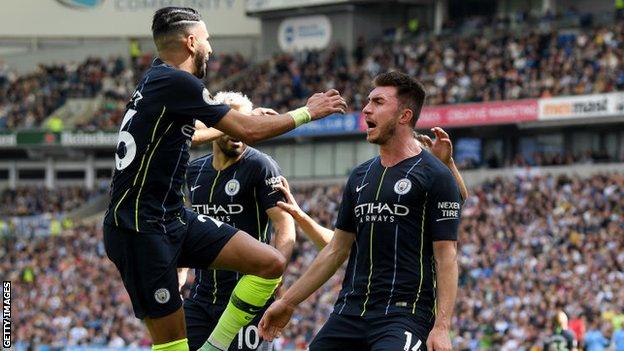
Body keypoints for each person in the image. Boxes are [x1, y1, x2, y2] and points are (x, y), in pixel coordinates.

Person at [102, 7, 346, 351]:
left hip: (170, 218)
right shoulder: (177, 81)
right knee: (172, 347)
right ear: (191, 42)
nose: (211, 48)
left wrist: (231, 122)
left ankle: (214, 347)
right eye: (206, 40)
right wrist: (308, 112)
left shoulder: (156, 79)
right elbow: (248, 130)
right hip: (139, 230)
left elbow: (193, 134)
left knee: (271, 262)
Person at [258, 71, 462, 351]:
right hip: (349, 312)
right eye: (368, 101)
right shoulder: (359, 176)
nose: (366, 108)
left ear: (404, 116)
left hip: (404, 316)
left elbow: (446, 256)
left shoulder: (435, 175)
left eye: (378, 102)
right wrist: (288, 302)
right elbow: (336, 250)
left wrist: (441, 327)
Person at [179, 91, 296, 351]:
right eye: (231, 123)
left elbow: (284, 227)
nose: (238, 131)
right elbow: (184, 225)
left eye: (244, 124)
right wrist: (180, 272)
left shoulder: (261, 166)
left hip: (246, 300)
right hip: (201, 298)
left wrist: (274, 279)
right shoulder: (194, 172)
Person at [274, 127, 468, 250]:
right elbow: (336, 244)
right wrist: (299, 215)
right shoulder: (369, 196)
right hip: (361, 306)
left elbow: (458, 198)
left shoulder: (425, 201)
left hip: (409, 306)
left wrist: (446, 165)